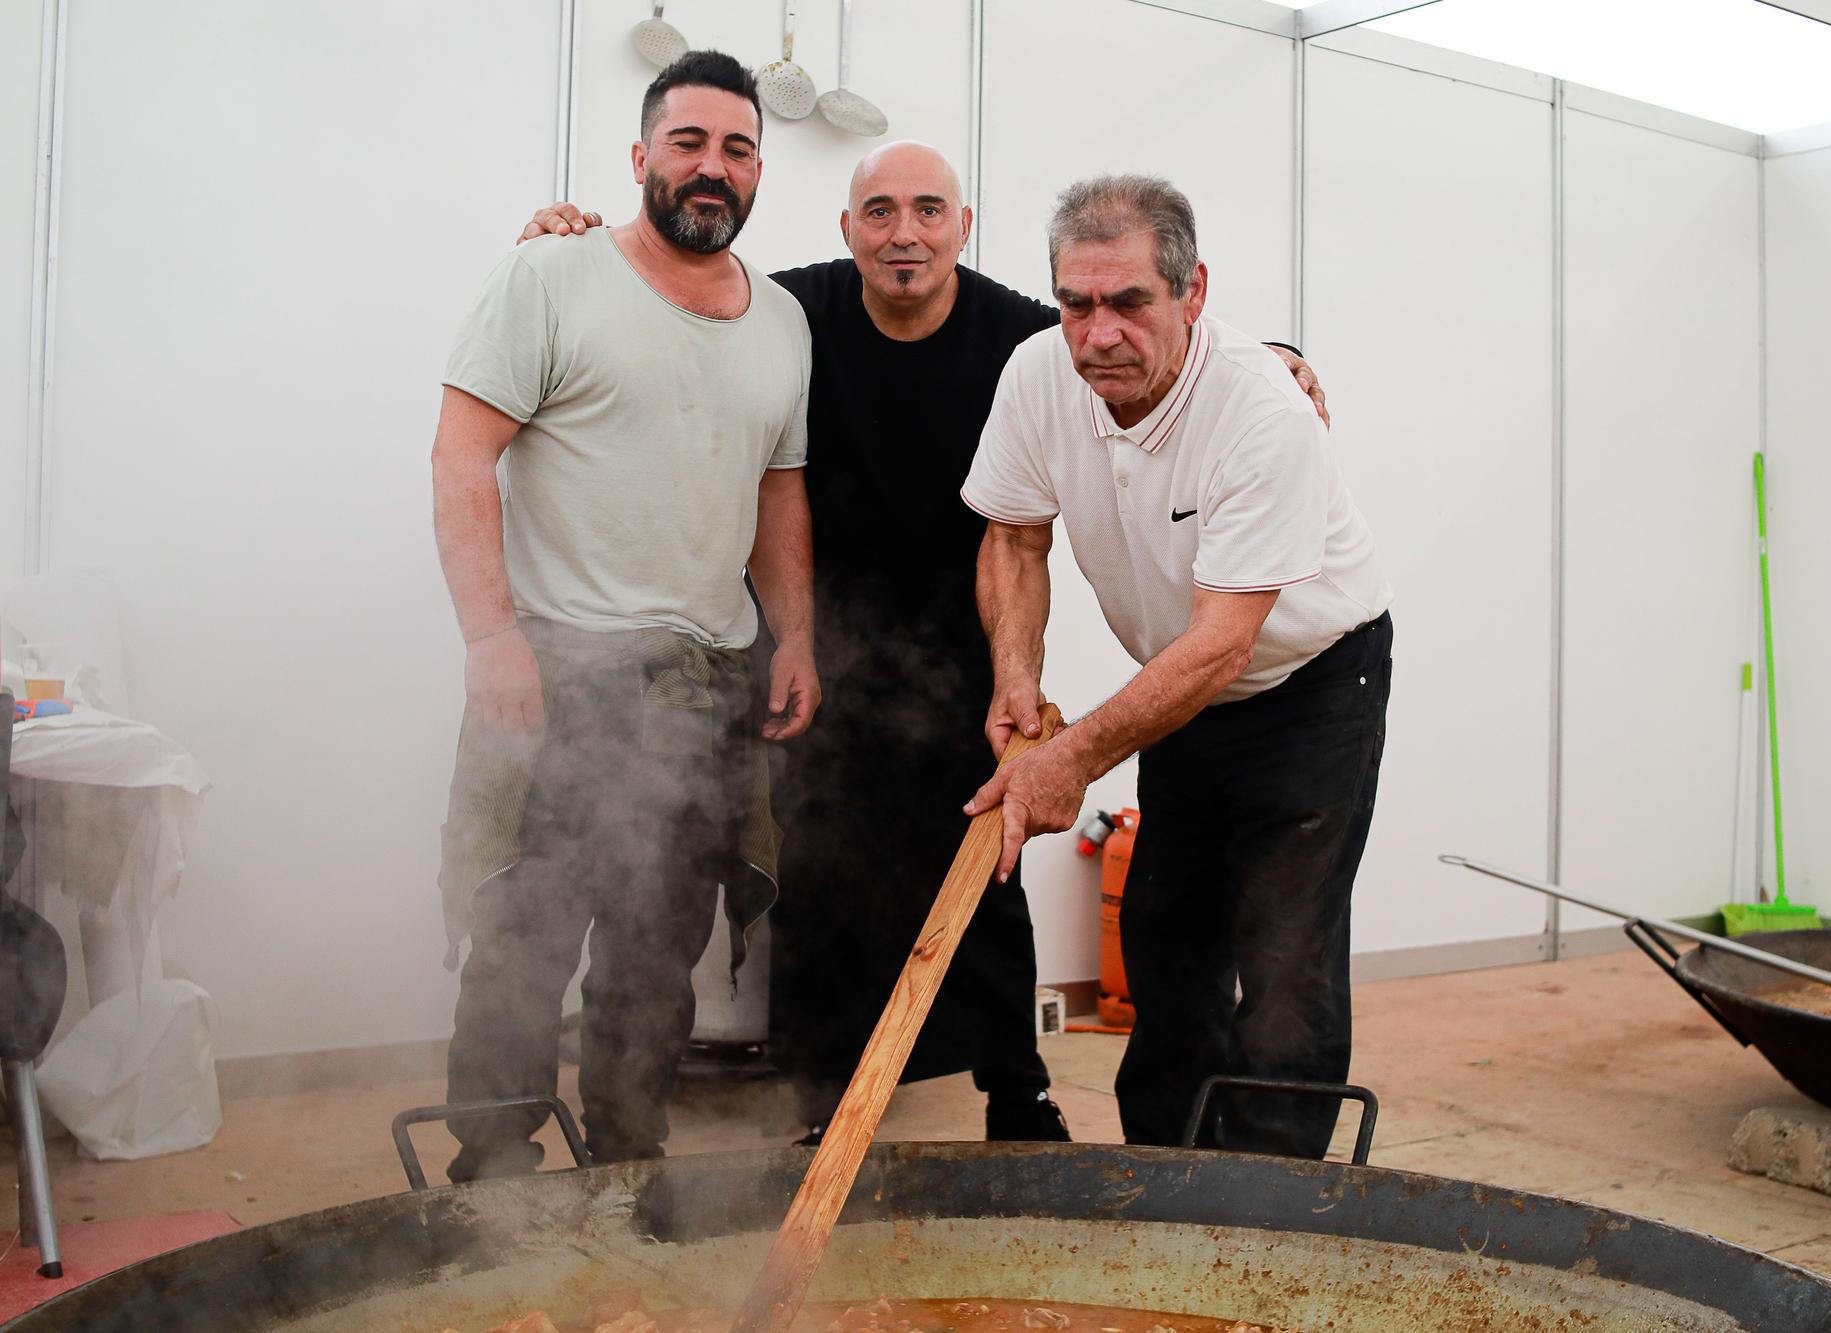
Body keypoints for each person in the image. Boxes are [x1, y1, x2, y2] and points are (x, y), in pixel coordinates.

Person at [519, 145, 1325, 1146]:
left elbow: (1165, 346)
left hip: (969, 645)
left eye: (928, 211)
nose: (904, 232)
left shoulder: (1029, 333)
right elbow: (672, 294)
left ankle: (1014, 1086)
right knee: (814, 861)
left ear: (963, 225)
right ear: (849, 228)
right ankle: (819, 1089)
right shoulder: (788, 309)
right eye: (880, 211)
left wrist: (1282, 353)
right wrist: (579, 247)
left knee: (983, 862)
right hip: (809, 635)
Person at [430, 51, 817, 1181]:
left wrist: (792, 633)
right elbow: (461, 455)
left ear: (757, 170)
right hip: (557, 672)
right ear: (639, 156)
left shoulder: (783, 320)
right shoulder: (547, 278)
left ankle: (628, 1166)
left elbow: (777, 489)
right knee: (522, 934)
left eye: (736, 149)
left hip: (706, 685)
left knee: (658, 950)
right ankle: (493, 1167)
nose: (712, 167)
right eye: (688, 142)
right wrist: (490, 635)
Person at [961, 174, 1393, 1160]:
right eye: (1076, 305)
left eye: (1127, 304)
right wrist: (1013, 673)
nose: (1097, 335)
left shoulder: (1259, 410)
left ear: (1190, 292)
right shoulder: (1036, 376)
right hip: (1185, 687)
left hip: (1312, 682)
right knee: (1164, 936)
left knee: (1284, 954)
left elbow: (1223, 641)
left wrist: (1068, 759)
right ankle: (1164, 1175)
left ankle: (1272, 1204)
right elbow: (1014, 541)